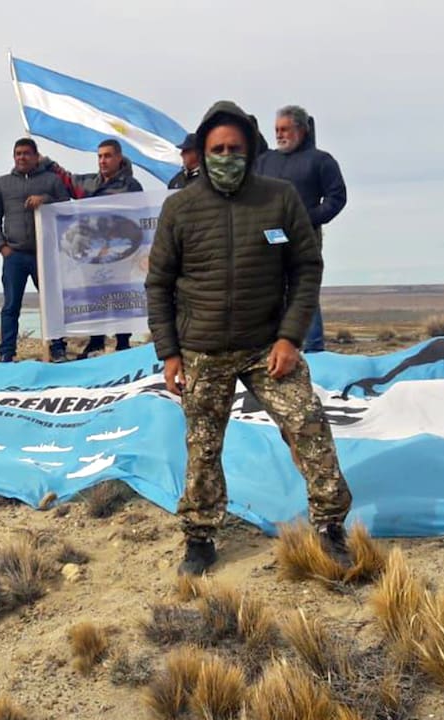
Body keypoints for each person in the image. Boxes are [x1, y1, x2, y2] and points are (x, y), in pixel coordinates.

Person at [145, 100, 352, 577]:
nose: (225, 155)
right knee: (202, 446)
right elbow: (158, 285)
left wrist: (290, 338)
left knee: (308, 425)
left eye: (234, 147)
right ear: (204, 150)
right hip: (202, 349)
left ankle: (330, 526)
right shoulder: (180, 207)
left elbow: (305, 269)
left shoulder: (279, 198)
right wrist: (170, 353)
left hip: (268, 347)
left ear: (250, 149)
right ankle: (200, 538)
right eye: (216, 148)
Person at [255, 105, 347, 353]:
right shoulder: (265, 161)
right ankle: (273, 348)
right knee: (270, 289)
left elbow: (337, 198)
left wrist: (308, 219)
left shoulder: (321, 161)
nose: (279, 134)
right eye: (276, 129)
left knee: (303, 289)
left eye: (285, 129)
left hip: (304, 236)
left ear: (301, 130)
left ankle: (314, 350)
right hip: (269, 236)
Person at [0, 137, 70, 363]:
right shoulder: (2, 183)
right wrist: (1, 246)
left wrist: (45, 199)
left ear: (35, 156)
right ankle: (7, 351)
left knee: (53, 302)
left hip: (45, 254)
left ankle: (59, 348)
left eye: (26, 153)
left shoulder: (51, 180)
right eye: (18, 153)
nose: (21, 157)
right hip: (14, 254)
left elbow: (66, 208)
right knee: (11, 305)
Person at [61, 138, 143, 359]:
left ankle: (123, 343)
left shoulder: (130, 186)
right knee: (94, 297)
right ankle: (96, 342)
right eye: (99, 156)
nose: (103, 161)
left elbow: (137, 218)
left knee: (120, 297)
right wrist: (47, 163)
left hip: (119, 253)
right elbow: (67, 181)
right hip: (92, 254)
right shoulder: (89, 183)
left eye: (107, 156)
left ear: (118, 157)